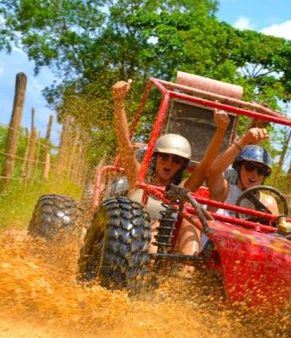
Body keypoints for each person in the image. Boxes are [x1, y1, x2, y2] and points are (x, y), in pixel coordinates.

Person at [112, 80, 229, 253]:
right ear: (155, 158)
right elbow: (125, 144)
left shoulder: (179, 192)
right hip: (123, 244)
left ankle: (184, 274)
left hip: (157, 251)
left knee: (191, 219)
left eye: (176, 160)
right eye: (164, 157)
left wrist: (221, 129)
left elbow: (205, 166)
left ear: (182, 165)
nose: (168, 163)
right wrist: (118, 102)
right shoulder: (139, 178)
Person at [206, 127, 279, 218]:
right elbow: (213, 172)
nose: (254, 174)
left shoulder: (267, 203)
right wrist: (244, 141)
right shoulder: (224, 190)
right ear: (238, 168)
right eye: (250, 167)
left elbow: (275, 229)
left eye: (261, 171)